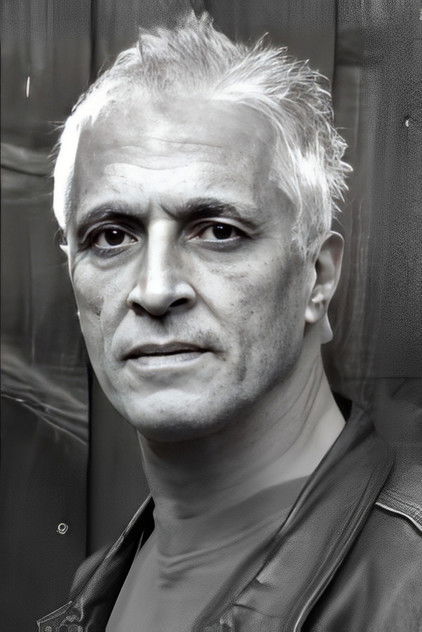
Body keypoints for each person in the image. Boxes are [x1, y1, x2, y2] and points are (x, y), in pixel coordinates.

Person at [38, 13, 421, 632]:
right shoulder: (101, 589)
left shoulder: (409, 584)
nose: (155, 289)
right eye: (111, 236)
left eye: (218, 231)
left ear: (318, 277)